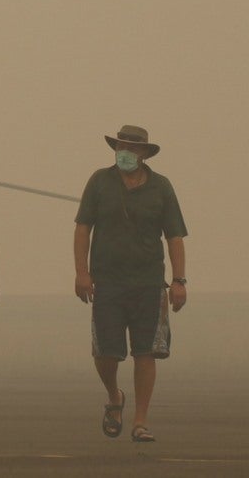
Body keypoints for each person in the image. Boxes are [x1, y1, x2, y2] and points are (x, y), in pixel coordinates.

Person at [73, 124, 187, 444]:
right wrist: (82, 273)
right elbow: (83, 228)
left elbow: (175, 236)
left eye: (133, 149)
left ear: (145, 153)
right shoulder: (99, 181)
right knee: (105, 353)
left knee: (145, 352)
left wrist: (179, 281)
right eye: (122, 147)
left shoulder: (161, 187)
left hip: (149, 283)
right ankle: (114, 396)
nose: (126, 153)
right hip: (106, 282)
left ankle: (140, 421)